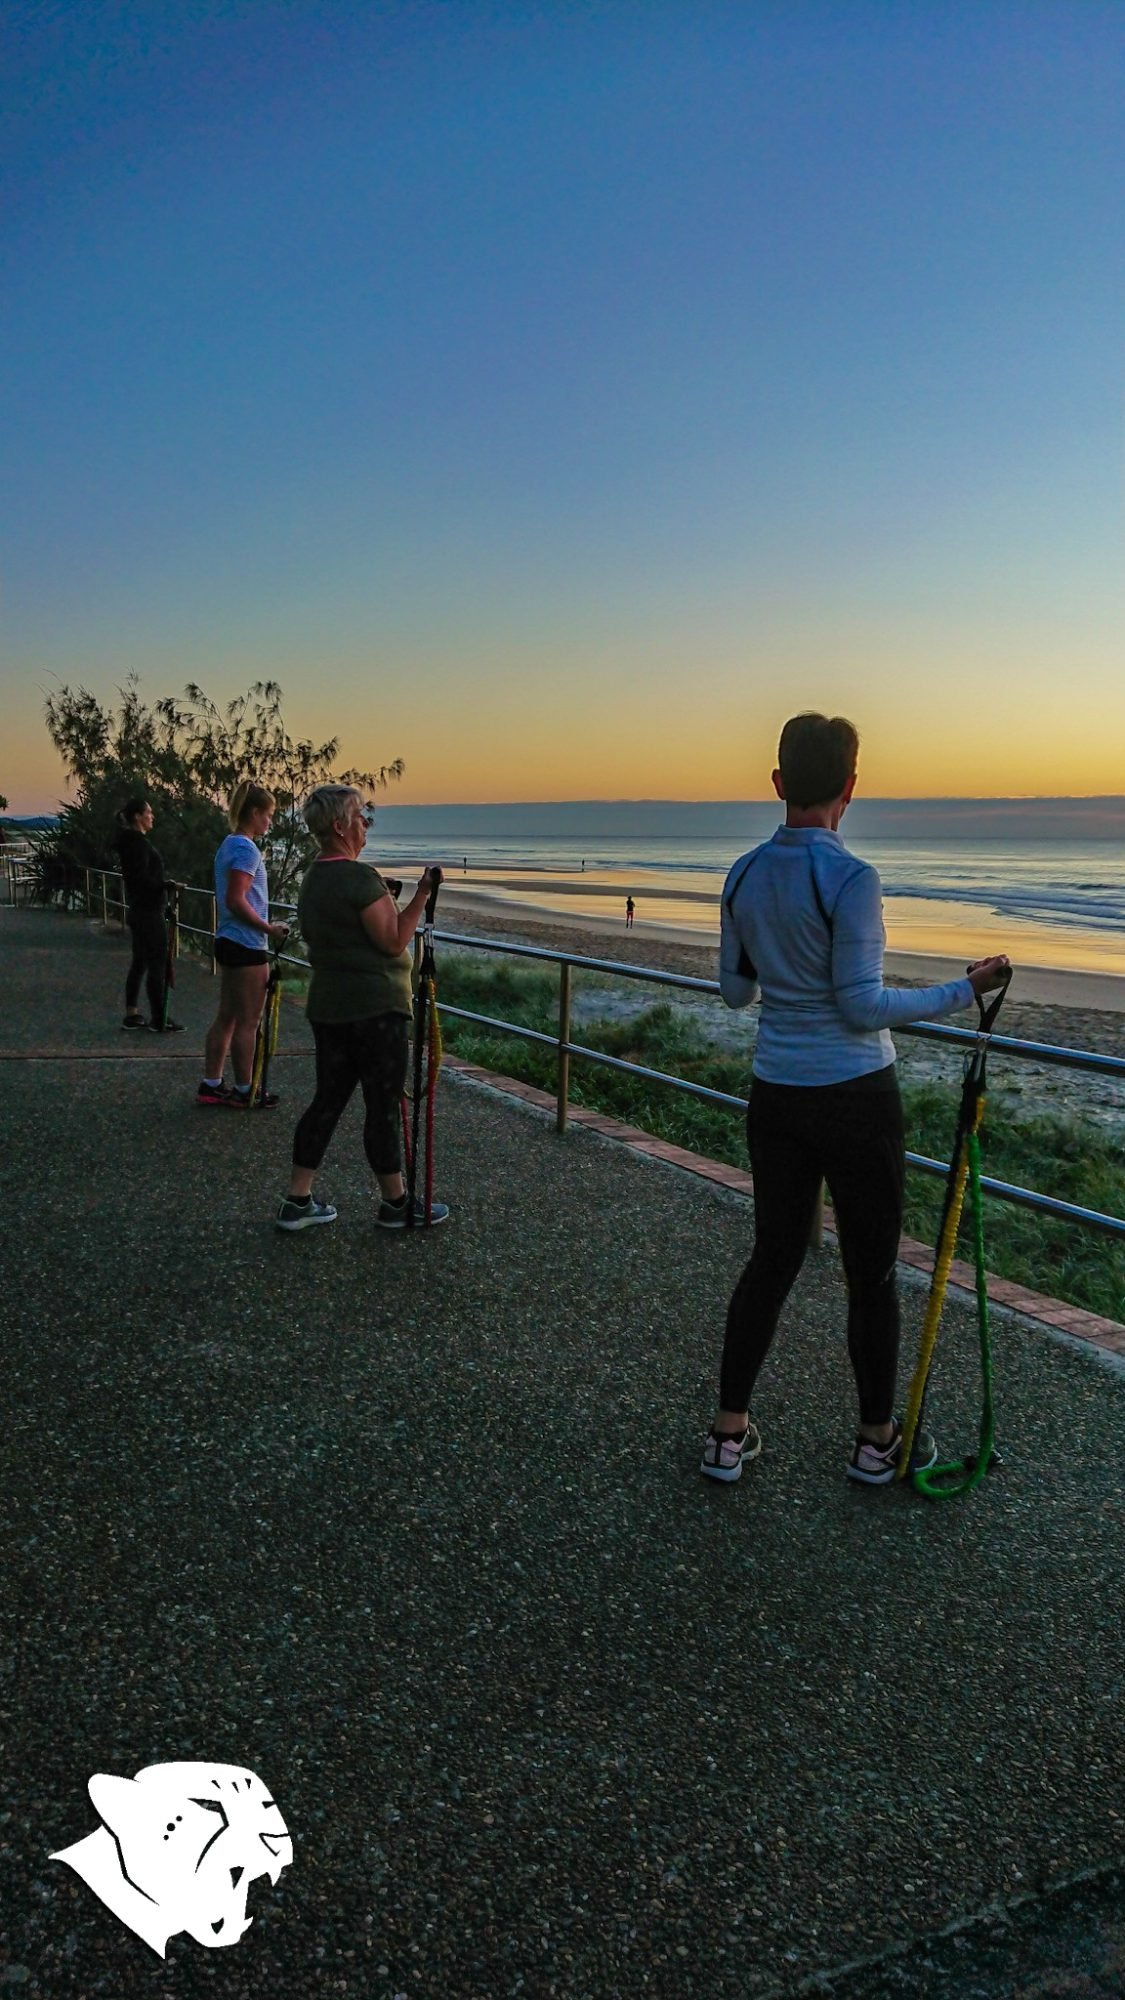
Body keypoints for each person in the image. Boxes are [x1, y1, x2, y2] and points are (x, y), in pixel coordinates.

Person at [700, 713, 1010, 1488]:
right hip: (853, 1096)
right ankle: (876, 1442)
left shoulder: (741, 874)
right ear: (850, 788)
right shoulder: (850, 878)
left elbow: (735, 993)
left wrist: (776, 961)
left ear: (776, 784)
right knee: (869, 1274)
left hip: (775, 1091)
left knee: (771, 1259)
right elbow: (862, 1007)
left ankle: (726, 1435)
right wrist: (963, 989)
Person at [274, 785, 449, 1232]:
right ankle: (395, 1205)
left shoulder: (313, 879)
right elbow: (392, 941)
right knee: (382, 1106)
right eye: (358, 817)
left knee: (327, 1101)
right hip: (377, 1010)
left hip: (330, 1007)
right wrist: (421, 895)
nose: (364, 824)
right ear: (339, 826)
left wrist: (383, 896)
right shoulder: (359, 878)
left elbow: (345, 921)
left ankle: (297, 1199)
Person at [197, 782, 289, 1107]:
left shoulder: (229, 844)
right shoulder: (246, 850)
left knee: (229, 1016)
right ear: (254, 813)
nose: (270, 822)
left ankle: (211, 1083)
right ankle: (244, 1089)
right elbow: (237, 900)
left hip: (228, 939)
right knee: (249, 1021)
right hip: (246, 944)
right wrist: (269, 928)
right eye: (269, 815)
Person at [113, 798, 183, 1033]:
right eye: (149, 813)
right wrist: (165, 886)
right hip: (148, 912)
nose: (152, 816)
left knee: (140, 962)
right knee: (157, 963)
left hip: (138, 910)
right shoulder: (138, 845)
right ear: (137, 817)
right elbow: (142, 879)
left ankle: (132, 1013)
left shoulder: (131, 844)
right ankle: (159, 1016)